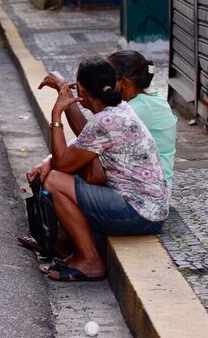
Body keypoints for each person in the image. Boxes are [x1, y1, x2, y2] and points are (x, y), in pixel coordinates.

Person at [26, 57, 169, 282]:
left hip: (139, 213)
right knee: (60, 175)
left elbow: (64, 163)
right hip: (149, 207)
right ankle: (69, 248)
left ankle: (90, 261)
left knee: (54, 181)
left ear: (81, 90)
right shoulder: (117, 111)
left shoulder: (106, 120)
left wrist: (57, 113)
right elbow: (83, 143)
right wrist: (50, 159)